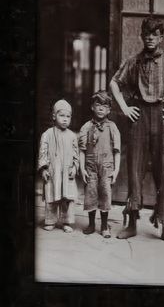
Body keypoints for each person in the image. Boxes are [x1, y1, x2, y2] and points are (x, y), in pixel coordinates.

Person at [110, 17, 164, 245]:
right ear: (142, 36)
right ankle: (131, 223)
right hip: (139, 117)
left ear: (161, 38)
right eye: (147, 35)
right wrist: (125, 107)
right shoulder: (134, 61)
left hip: (163, 119)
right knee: (134, 170)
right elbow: (114, 83)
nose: (150, 38)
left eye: (154, 35)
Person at [77, 90, 121, 240]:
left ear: (109, 110)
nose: (101, 108)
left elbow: (117, 151)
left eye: (105, 106)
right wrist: (82, 168)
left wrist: (116, 170)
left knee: (105, 194)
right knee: (90, 194)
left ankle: (104, 225)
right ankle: (91, 224)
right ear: (92, 107)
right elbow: (82, 150)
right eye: (98, 105)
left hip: (107, 167)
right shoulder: (86, 127)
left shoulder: (112, 127)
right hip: (90, 166)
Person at [37, 99, 80, 234]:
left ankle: (66, 222)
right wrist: (44, 169)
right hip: (52, 171)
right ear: (54, 116)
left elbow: (76, 154)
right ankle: (50, 221)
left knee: (67, 198)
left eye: (68, 116)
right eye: (62, 115)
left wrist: (75, 167)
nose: (65, 119)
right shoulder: (47, 134)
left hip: (67, 172)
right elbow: (43, 153)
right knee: (51, 195)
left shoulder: (72, 136)